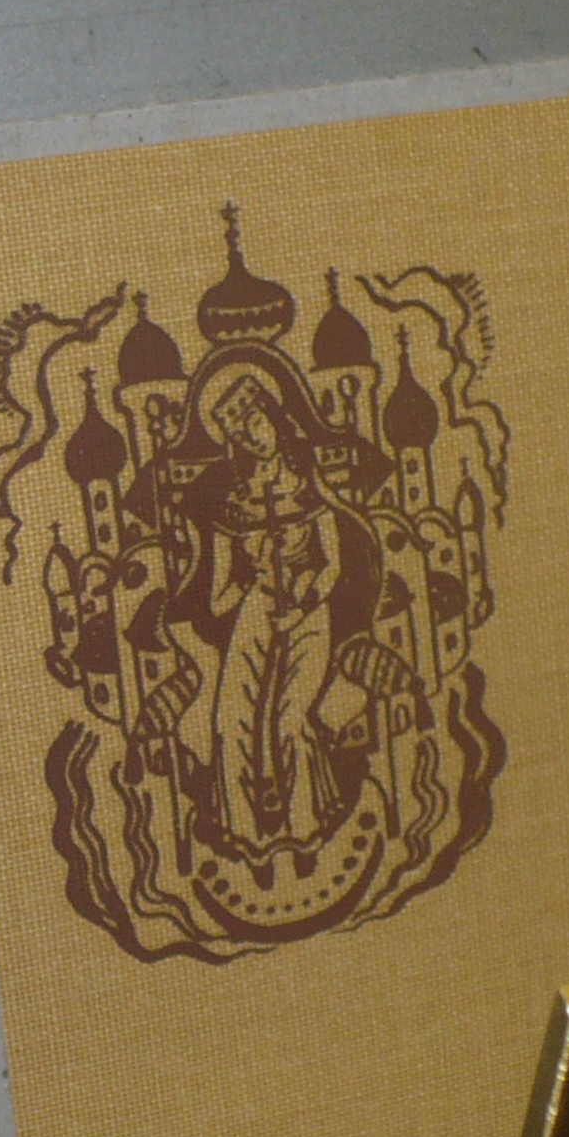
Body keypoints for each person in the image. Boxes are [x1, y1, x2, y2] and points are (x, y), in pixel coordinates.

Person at [193, 369, 350, 862]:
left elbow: (333, 565)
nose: (254, 437)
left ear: (274, 418)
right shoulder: (232, 504)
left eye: (258, 422)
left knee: (289, 719)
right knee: (231, 719)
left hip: (307, 609)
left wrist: (300, 605)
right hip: (256, 611)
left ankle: (304, 828)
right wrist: (248, 584)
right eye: (242, 433)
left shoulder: (309, 485)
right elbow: (217, 598)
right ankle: (248, 835)